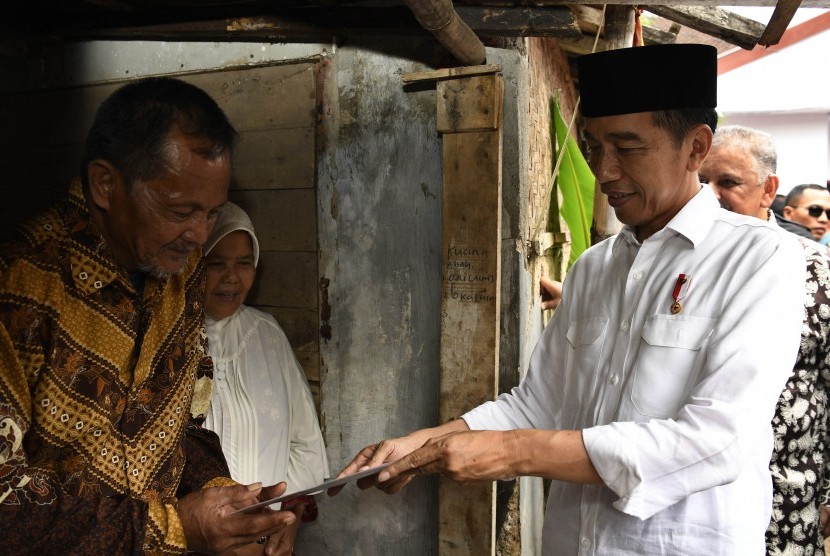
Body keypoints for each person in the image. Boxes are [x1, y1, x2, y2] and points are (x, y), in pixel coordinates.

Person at [332, 44, 806, 554]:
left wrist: (514, 452)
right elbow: (540, 402)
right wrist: (424, 444)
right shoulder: (594, 268)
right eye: (593, 147)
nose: (604, 172)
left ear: (695, 148)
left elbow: (716, 440)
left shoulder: (760, 257)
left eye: (626, 148)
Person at [0, 77, 298, 555]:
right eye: (180, 210)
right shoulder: (20, 286)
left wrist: (230, 505)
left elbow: (185, 423)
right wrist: (176, 529)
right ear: (105, 183)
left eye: (212, 213)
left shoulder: (181, 276)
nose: (200, 235)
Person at [698, 124, 830, 555]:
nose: (711, 195)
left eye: (728, 182)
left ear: (768, 189)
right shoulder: (680, 261)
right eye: (701, 182)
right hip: (693, 494)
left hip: (787, 498)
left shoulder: (816, 272)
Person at [202, 201, 330, 552]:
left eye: (244, 263)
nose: (231, 277)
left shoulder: (266, 333)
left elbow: (307, 449)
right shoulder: (171, 341)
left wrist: (286, 518)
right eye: (216, 264)